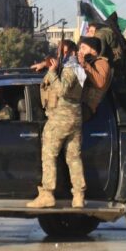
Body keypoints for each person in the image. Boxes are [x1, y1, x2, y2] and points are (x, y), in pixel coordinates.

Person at [27, 56, 85, 209]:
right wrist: (46, 65)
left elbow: (62, 90)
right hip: (75, 117)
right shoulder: (79, 69)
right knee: (73, 158)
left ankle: (47, 194)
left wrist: (52, 73)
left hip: (61, 118)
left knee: (48, 155)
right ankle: (78, 196)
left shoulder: (69, 70)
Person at [87, 20, 126, 87]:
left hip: (113, 76)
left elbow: (98, 51)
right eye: (88, 31)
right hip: (120, 76)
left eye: (91, 31)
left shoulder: (101, 34)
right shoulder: (113, 35)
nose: (88, 34)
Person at [77, 36, 112, 119]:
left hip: (88, 107)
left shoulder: (101, 63)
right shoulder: (89, 62)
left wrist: (85, 65)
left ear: (93, 50)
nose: (80, 51)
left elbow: (100, 83)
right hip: (79, 103)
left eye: (83, 48)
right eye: (80, 48)